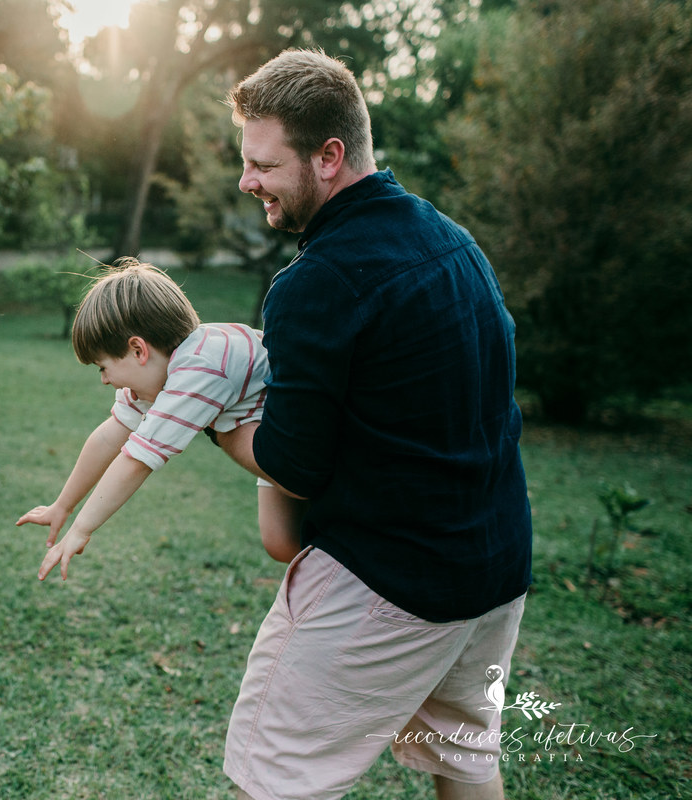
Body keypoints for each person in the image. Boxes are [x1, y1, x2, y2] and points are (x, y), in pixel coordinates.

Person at [218, 49, 534, 800]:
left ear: (329, 157)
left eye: (263, 163)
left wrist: (213, 418)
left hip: (391, 580)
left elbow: (292, 463)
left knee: (277, 775)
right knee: (465, 759)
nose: (246, 181)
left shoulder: (316, 282)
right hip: (492, 568)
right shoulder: (452, 240)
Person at [17, 259, 304, 581]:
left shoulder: (199, 368)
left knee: (303, 498)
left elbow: (137, 460)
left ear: (138, 350)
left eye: (103, 367)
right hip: (260, 431)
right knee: (280, 542)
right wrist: (63, 506)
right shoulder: (158, 374)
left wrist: (81, 529)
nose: (104, 380)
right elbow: (108, 437)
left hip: (307, 433)